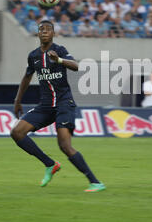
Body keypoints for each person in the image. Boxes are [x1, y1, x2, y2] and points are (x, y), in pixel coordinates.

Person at [10, 20, 105, 192]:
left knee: (64, 145)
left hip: (64, 103)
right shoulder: (33, 56)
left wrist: (59, 60)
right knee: (16, 132)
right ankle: (50, 164)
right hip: (46, 105)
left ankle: (95, 182)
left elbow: (76, 66)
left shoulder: (60, 50)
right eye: (41, 29)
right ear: (38, 34)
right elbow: (27, 77)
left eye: (48, 29)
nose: (44, 31)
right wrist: (17, 100)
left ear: (53, 34)